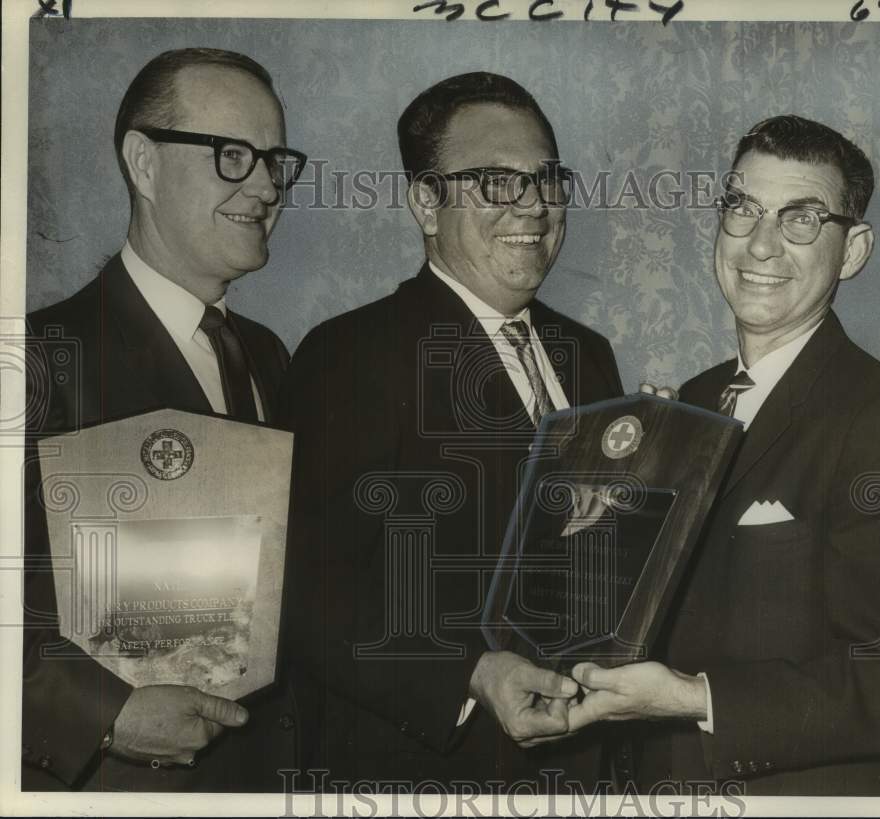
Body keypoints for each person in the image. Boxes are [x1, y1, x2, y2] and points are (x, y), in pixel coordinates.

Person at [565, 115, 880, 795]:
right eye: (742, 208)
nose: (760, 245)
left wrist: (697, 698)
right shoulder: (692, 401)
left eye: (801, 219)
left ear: (854, 250)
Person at [279, 72, 624, 789]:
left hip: (583, 768)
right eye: (497, 183)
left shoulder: (587, 354)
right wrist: (469, 675)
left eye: (547, 179)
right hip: (422, 772)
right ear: (426, 204)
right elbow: (306, 591)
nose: (533, 205)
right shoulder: (349, 354)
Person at [22, 47, 308, 792]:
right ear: (143, 165)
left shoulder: (271, 357)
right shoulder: (38, 357)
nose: (268, 185)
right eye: (235, 156)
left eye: (277, 160)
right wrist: (105, 713)